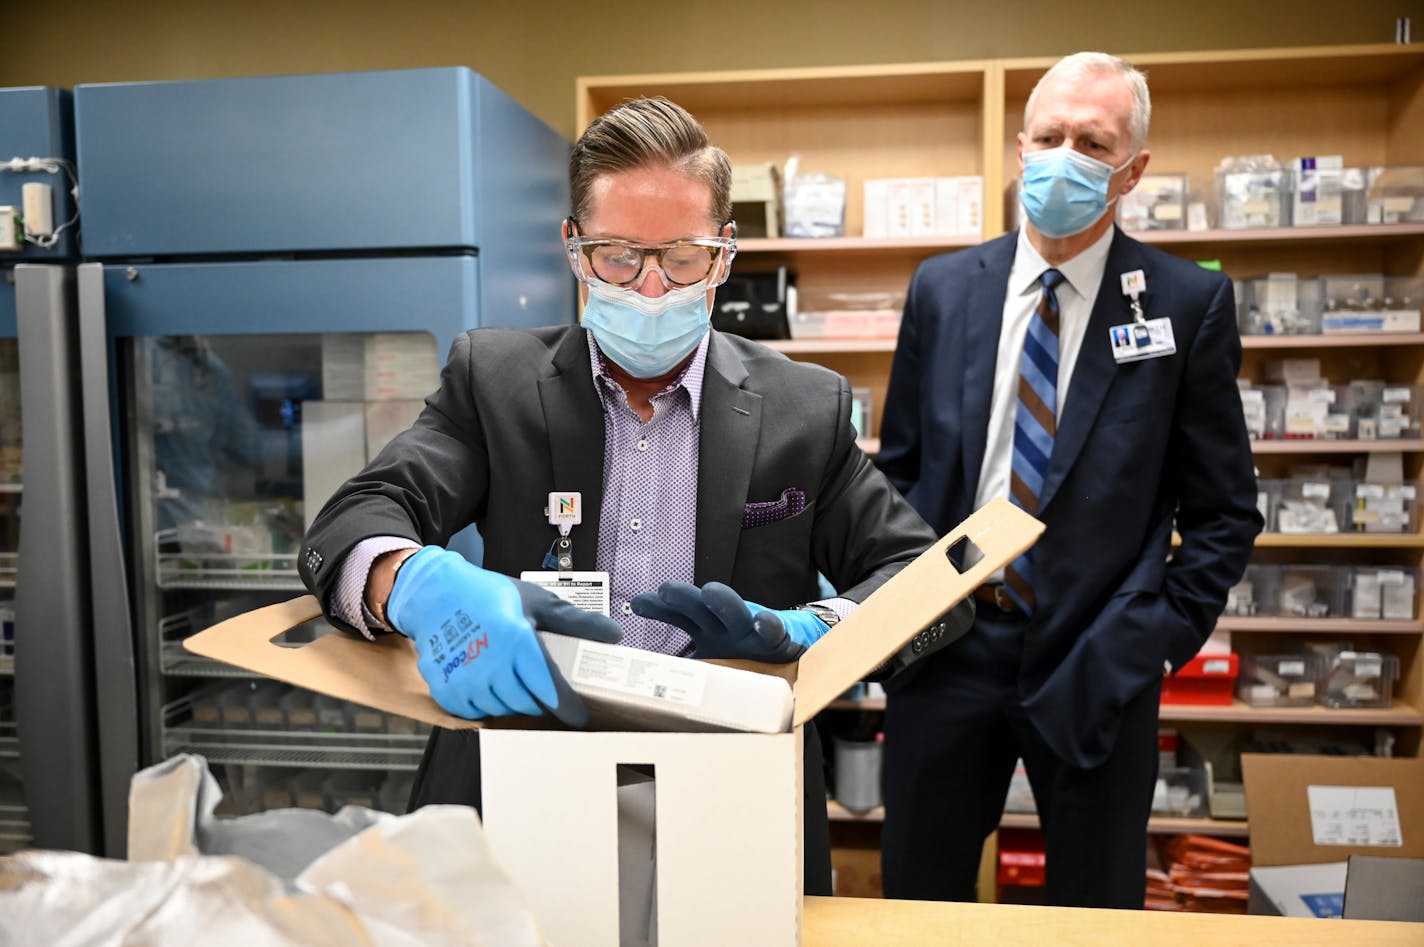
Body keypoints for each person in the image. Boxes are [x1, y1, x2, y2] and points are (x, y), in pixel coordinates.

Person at [297, 96, 968, 894]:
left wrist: (808, 628)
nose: (651, 286)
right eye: (618, 254)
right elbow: (357, 516)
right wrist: (416, 584)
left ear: (724, 254)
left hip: (734, 795)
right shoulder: (494, 381)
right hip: (522, 776)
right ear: (573, 248)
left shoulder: (805, 407)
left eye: (682, 256)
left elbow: (933, 584)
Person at [873, 52, 1262, 909]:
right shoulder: (942, 290)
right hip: (947, 652)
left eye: (1093, 141)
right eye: (1050, 136)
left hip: (1099, 660)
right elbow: (896, 476)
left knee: (1096, 909)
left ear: (1134, 169)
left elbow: (1226, 509)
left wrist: (1152, 641)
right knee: (917, 901)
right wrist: (893, 624)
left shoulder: (1182, 305)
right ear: (1020, 149)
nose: (1065, 156)